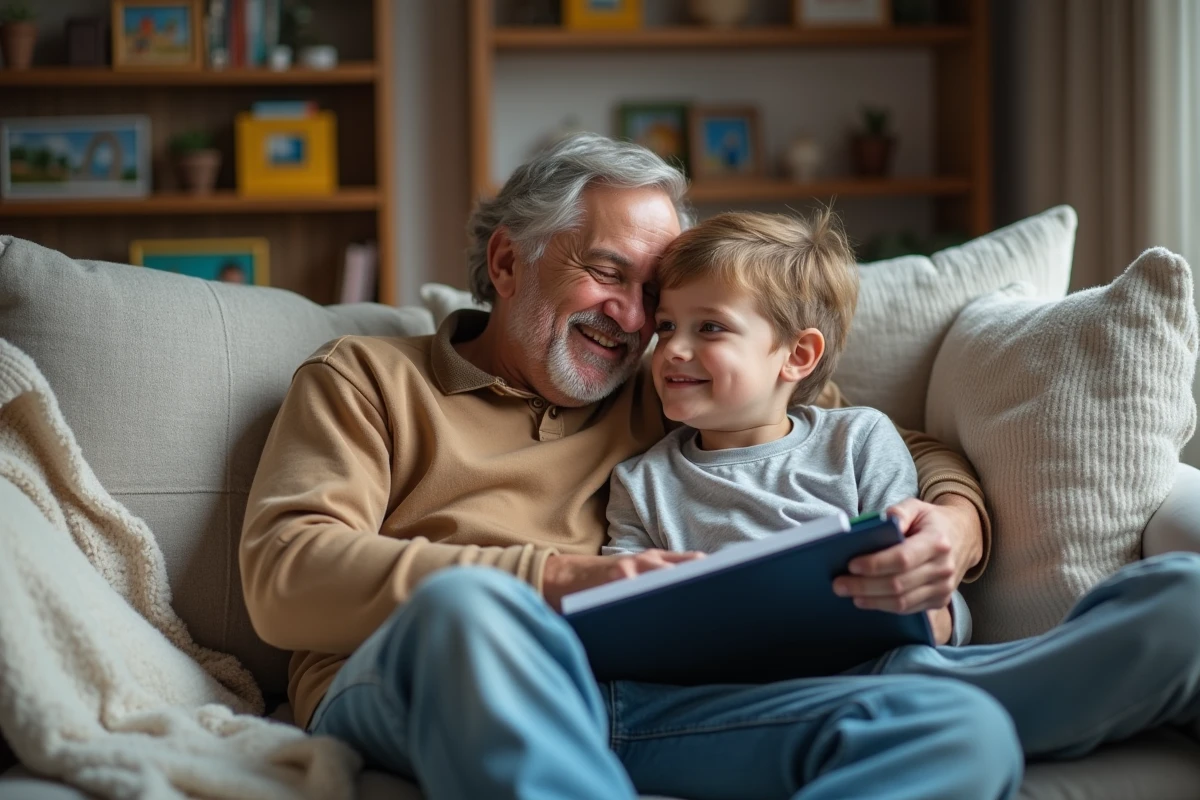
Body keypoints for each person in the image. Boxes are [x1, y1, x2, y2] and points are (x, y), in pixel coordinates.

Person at [240, 133, 1200, 800]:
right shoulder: (366, 379)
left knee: (962, 729)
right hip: (423, 675)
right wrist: (556, 580)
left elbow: (880, 442)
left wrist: (953, 526)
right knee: (475, 611)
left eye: (655, 300)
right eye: (608, 274)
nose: (633, 322)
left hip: (654, 699)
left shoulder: (652, 383)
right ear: (505, 263)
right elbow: (285, 578)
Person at [602, 208, 970, 647]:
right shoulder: (640, 484)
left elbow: (914, 574)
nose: (673, 349)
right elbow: (623, 618)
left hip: (872, 665)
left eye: (710, 327)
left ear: (797, 356)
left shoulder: (859, 442)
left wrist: (938, 618)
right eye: (666, 326)